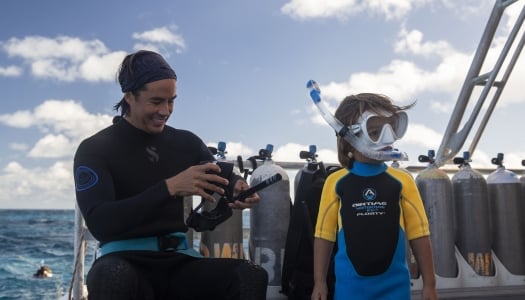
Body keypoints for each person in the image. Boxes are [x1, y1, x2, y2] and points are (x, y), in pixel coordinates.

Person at [73, 50, 268, 300]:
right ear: (129, 96)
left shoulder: (185, 142)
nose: (165, 110)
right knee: (112, 275)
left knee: (250, 275)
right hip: (124, 261)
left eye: (171, 101)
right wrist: (169, 188)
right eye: (156, 101)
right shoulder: (96, 148)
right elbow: (101, 223)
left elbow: (221, 176)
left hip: (179, 262)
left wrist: (237, 187)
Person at [311, 93, 437, 300]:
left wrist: (430, 285)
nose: (387, 138)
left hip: (395, 289)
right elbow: (323, 236)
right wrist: (319, 283)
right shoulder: (336, 183)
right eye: (375, 131)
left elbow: (419, 235)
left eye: (392, 127)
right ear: (350, 138)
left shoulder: (402, 180)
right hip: (350, 290)